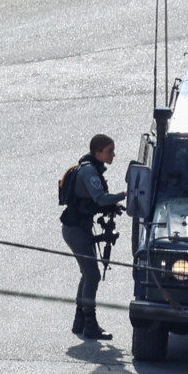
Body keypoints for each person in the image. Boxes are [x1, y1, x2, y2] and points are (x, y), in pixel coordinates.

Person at [60, 133, 125, 340]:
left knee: (87, 274)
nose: (113, 154)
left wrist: (111, 207)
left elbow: (94, 202)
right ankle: (90, 325)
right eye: (109, 151)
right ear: (97, 152)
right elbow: (100, 198)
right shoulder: (89, 171)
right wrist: (125, 194)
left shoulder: (91, 169)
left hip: (79, 228)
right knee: (92, 275)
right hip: (76, 230)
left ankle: (79, 322)